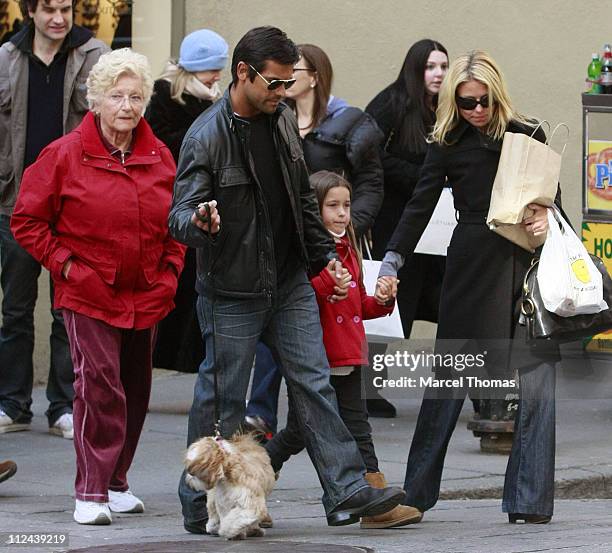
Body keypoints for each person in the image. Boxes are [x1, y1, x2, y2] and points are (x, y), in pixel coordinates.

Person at [168, 25, 404, 534]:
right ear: (243, 74)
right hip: (232, 287)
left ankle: (346, 488)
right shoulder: (205, 136)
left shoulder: (280, 120)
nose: (282, 92)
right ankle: (197, 499)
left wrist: (324, 262)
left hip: (291, 279)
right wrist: (201, 223)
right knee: (223, 398)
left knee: (314, 382)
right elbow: (179, 214)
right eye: (273, 84)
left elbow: (300, 198)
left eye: (287, 82)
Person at [376, 50, 560, 524]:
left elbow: (555, 204)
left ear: (496, 95)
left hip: (526, 267)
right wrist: (392, 260)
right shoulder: (448, 141)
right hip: (472, 266)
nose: (475, 110)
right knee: (449, 382)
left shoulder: (528, 132)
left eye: (482, 101)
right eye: (464, 103)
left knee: (537, 384)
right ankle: (415, 494)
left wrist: (545, 217)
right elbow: (418, 206)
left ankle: (530, 501)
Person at [11, 48, 185, 526]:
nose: (126, 106)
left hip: (146, 293)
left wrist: (169, 272)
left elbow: (175, 226)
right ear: (96, 100)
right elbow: (27, 221)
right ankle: (89, 491)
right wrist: (66, 266)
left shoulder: (159, 156)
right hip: (88, 293)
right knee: (98, 388)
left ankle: (115, 481)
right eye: (116, 96)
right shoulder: (64, 154)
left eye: (135, 96)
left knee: (134, 389)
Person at [266, 170, 422, 529]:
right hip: (318, 357)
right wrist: (326, 282)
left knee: (331, 428)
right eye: (332, 205)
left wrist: (381, 301)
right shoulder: (309, 252)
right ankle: (258, 471)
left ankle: (373, 498)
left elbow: (357, 306)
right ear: (313, 210)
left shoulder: (349, 248)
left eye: (346, 205)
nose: (341, 213)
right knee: (321, 430)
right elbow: (299, 297)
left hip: (350, 354)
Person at [245, 42, 384, 436]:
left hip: (326, 244)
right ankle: (262, 414)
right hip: (284, 241)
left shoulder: (346, 122)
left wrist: (346, 223)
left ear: (315, 78)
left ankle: (326, 416)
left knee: (321, 321)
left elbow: (371, 182)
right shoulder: (275, 118)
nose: (287, 80)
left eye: (296, 72)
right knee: (277, 327)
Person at [0, 0, 108, 439]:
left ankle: (64, 405)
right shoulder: (6, 57)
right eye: (48, 9)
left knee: (70, 309)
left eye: (65, 8)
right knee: (15, 309)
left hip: (75, 202)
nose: (59, 19)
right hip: (17, 200)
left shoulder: (94, 55)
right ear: (30, 10)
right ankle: (12, 403)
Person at [364, 39, 449, 418]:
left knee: (445, 300)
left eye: (444, 66)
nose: (439, 74)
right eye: (431, 66)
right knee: (394, 303)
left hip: (439, 226)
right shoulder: (393, 103)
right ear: (416, 69)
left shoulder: (448, 108)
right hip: (398, 223)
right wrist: (417, 177)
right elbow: (369, 153)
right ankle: (367, 390)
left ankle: (466, 388)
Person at [146, 28, 228, 373]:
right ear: (193, 68)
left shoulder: (218, 98)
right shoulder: (167, 96)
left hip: (211, 202)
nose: (217, 75)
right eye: (211, 68)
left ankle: (195, 360)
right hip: (178, 202)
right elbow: (161, 145)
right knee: (179, 286)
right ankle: (167, 357)